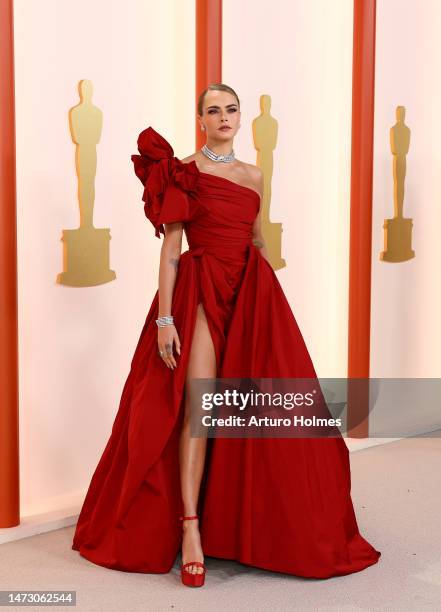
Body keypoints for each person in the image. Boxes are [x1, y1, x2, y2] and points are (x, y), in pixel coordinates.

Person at [72, 83, 381, 588]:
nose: (224, 117)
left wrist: (267, 278)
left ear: (239, 117)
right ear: (200, 120)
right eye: (213, 111)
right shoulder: (186, 174)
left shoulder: (255, 175)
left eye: (230, 109)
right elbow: (171, 248)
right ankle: (190, 528)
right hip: (200, 290)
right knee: (200, 406)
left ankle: (245, 524)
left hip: (251, 292)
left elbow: (257, 235)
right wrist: (166, 319)